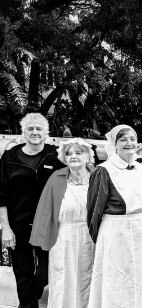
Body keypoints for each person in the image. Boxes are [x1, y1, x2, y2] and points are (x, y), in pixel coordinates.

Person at [86, 124, 142, 308]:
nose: (129, 143)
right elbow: (94, 211)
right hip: (117, 232)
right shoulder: (103, 170)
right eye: (123, 139)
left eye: (132, 139)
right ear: (114, 144)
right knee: (119, 279)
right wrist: (105, 241)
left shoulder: (138, 167)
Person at [0, 113, 65, 308]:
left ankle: (28, 300)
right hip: (18, 225)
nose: (34, 132)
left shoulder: (57, 155)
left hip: (49, 225)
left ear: (47, 133)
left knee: (46, 273)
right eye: (30, 129)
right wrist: (5, 227)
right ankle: (28, 305)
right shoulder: (10, 157)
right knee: (23, 273)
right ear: (23, 132)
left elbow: (85, 157)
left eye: (39, 129)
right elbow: (1, 194)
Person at [30, 138, 96, 308]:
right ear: (64, 158)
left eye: (78, 152)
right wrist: (41, 237)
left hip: (91, 237)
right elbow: (45, 209)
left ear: (88, 156)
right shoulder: (56, 177)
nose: (73, 156)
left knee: (88, 277)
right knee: (63, 278)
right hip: (63, 236)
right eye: (69, 153)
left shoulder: (97, 177)